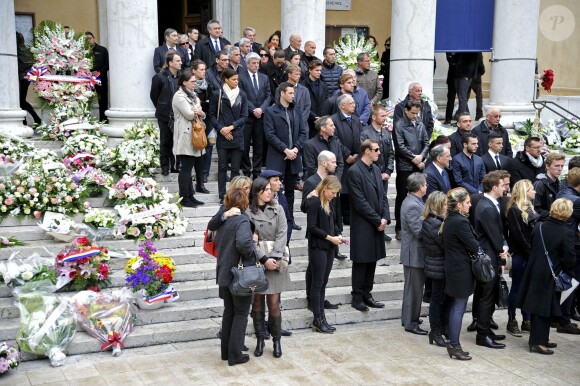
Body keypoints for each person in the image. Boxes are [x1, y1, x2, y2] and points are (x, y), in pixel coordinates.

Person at [517, 198, 576, 354]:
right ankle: (537, 342)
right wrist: (569, 273)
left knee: (542, 307)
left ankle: (542, 339)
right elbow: (569, 258)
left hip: (535, 270)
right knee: (544, 309)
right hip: (552, 274)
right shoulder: (567, 233)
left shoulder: (540, 226)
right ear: (567, 214)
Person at [247, 177, 289, 359]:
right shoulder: (248, 212)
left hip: (276, 260)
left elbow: (282, 234)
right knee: (257, 302)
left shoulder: (278, 208)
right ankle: (259, 340)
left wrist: (274, 257)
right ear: (257, 191)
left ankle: (277, 340)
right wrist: (263, 259)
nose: (269, 192)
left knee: (274, 302)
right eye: (265, 189)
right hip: (257, 262)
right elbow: (248, 239)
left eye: (269, 189)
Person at [214, 187, 256, 366]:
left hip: (224, 271)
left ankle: (226, 353)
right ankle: (235, 354)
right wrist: (252, 252)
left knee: (229, 312)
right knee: (240, 313)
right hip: (238, 275)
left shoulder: (225, 220)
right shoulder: (242, 221)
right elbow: (244, 243)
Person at [347, 139, 389, 312]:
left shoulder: (376, 169)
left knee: (372, 259)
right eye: (376, 149)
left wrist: (385, 216)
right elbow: (359, 202)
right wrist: (377, 220)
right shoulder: (354, 171)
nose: (379, 152)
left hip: (377, 222)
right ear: (366, 151)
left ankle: (367, 293)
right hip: (363, 223)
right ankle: (357, 296)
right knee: (361, 260)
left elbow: (383, 196)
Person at [302, 151, 344, 309]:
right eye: (333, 162)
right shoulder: (311, 182)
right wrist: (310, 198)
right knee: (314, 269)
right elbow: (305, 208)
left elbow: (336, 209)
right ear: (324, 163)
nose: (336, 164)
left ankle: (319, 299)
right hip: (318, 233)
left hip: (331, 230)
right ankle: (312, 299)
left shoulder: (333, 182)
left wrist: (338, 229)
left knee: (322, 273)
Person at [473, 171, 509, 349]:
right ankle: (483, 334)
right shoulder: (487, 206)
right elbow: (494, 236)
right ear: (495, 187)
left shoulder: (489, 203)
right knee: (486, 296)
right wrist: (502, 252)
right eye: (503, 185)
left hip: (490, 255)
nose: (506, 188)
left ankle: (486, 329)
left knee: (488, 295)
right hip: (489, 257)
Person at [264, 82, 307, 231]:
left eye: (293, 93)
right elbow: (269, 134)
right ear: (282, 93)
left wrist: (295, 148)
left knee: (290, 190)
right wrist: (285, 150)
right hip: (278, 157)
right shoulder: (270, 111)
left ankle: (290, 219)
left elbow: (303, 132)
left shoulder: (296, 110)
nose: (293, 95)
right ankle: (275, 220)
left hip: (294, 156)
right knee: (275, 190)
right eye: (290, 93)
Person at [442, 187, 479, 360]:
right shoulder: (460, 221)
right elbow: (474, 245)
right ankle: (454, 345)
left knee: (456, 306)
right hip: (460, 269)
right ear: (458, 205)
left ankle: (453, 343)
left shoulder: (450, 219)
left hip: (454, 268)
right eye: (467, 203)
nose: (470, 206)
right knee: (459, 307)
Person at [307, 175, 343, 333]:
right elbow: (312, 227)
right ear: (326, 188)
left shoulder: (329, 202)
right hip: (318, 247)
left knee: (323, 283)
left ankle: (322, 318)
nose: (334, 196)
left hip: (329, 247)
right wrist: (330, 238)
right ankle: (317, 319)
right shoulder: (315, 201)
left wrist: (338, 237)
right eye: (333, 192)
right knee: (317, 283)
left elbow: (331, 223)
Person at [208, 68, 249, 203]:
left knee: (236, 169)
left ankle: (234, 195)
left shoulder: (242, 94)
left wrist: (231, 128)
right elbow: (212, 115)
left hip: (237, 135)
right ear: (226, 80)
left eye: (237, 79)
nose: (237, 82)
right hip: (222, 135)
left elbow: (244, 116)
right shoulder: (217, 94)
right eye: (234, 79)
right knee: (222, 167)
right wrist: (222, 129)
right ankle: (221, 195)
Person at [505, 179, 539, 336]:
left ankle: (527, 320)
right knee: (517, 289)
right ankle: (512, 320)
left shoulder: (530, 208)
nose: (535, 192)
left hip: (530, 254)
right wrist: (531, 254)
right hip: (521, 255)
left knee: (528, 290)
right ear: (525, 191)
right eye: (532, 189)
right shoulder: (514, 210)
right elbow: (518, 236)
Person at [393, 99, 429, 239]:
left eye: (417, 113)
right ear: (406, 111)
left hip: (418, 165)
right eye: (412, 113)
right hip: (405, 166)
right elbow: (400, 147)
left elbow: (426, 142)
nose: (415, 116)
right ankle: (399, 227)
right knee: (402, 196)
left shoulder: (420, 123)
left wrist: (422, 156)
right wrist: (415, 158)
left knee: (421, 194)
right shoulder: (399, 125)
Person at [171, 69, 207, 207]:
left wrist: (199, 109)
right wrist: (198, 105)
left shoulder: (192, 95)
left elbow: (202, 115)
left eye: (195, 82)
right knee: (186, 168)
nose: (195, 84)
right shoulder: (179, 96)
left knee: (191, 166)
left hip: (195, 134)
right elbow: (190, 114)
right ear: (184, 82)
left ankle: (190, 195)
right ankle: (184, 197)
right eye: (192, 82)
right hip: (185, 136)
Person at [360, 104, 395, 240]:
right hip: (371, 174)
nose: (385, 118)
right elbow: (365, 154)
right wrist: (376, 172)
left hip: (384, 175)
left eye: (386, 115)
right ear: (374, 117)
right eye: (382, 115)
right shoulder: (366, 133)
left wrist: (388, 171)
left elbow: (391, 154)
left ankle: (382, 227)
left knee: (382, 201)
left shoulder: (386, 132)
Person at [400, 173, 427, 335]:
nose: (427, 186)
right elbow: (419, 231)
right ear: (419, 187)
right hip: (414, 254)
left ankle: (408, 317)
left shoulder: (414, 201)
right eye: (425, 184)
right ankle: (411, 322)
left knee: (412, 289)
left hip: (414, 253)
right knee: (414, 290)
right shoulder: (412, 205)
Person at [239, 52, 272, 179]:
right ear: (247, 64)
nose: (256, 65)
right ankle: (246, 171)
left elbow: (269, 95)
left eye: (257, 63)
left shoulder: (264, 77)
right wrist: (254, 109)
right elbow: (242, 95)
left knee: (259, 146)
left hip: (261, 117)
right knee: (245, 146)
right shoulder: (241, 77)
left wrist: (261, 109)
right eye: (253, 63)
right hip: (247, 117)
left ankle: (257, 171)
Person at [331, 94, 363, 225]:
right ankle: (344, 216)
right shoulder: (334, 120)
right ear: (342, 105)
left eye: (354, 103)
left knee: (353, 187)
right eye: (351, 103)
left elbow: (361, 137)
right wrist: (347, 155)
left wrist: (357, 154)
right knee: (343, 189)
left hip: (355, 159)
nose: (354, 105)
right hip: (342, 160)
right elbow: (335, 140)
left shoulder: (355, 119)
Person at [422, 191, 448, 347]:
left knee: (440, 300)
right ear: (438, 205)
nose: (447, 207)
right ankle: (436, 331)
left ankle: (441, 329)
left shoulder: (435, 221)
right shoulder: (434, 223)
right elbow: (445, 244)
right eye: (445, 204)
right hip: (437, 266)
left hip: (437, 265)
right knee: (437, 301)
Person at [150, 50, 182, 176]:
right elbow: (154, 96)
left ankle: (175, 165)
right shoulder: (159, 77)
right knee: (165, 141)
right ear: (170, 63)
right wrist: (161, 107)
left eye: (180, 60)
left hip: (178, 115)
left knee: (177, 141)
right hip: (164, 115)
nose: (180, 63)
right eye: (178, 61)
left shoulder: (181, 77)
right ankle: (164, 165)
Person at [191, 60, 214, 186]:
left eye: (205, 69)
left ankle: (205, 173)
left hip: (208, 119)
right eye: (201, 69)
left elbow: (212, 104)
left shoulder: (208, 85)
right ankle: (197, 173)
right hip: (194, 120)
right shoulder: (190, 86)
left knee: (208, 146)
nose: (204, 72)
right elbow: (193, 105)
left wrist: (204, 103)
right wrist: (205, 102)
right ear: (194, 71)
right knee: (196, 145)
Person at [302, 116, 344, 181]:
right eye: (331, 125)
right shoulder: (309, 145)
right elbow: (311, 168)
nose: (334, 127)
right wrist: (326, 182)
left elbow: (340, 163)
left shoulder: (336, 142)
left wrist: (335, 179)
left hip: (334, 183)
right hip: (318, 185)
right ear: (323, 128)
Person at [16, 32, 41, 126]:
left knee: (21, 101)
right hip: (28, 77)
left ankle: (30, 120)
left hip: (22, 78)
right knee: (21, 100)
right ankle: (30, 120)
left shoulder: (18, 51)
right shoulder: (26, 50)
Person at [85, 32, 109, 122]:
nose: (88, 41)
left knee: (102, 100)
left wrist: (99, 72)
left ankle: (104, 120)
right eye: (86, 39)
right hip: (86, 79)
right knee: (85, 99)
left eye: (90, 38)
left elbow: (107, 65)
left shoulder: (102, 50)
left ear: (94, 38)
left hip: (100, 78)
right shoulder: (82, 51)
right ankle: (86, 120)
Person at [533, 152, 565, 219]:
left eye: (562, 166)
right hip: (544, 224)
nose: (560, 169)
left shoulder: (560, 184)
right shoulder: (539, 185)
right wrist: (552, 216)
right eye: (556, 166)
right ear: (547, 166)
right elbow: (535, 209)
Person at [302, 60, 328, 139]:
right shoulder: (302, 86)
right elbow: (302, 104)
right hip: (308, 120)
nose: (319, 72)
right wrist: (314, 116)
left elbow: (326, 102)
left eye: (320, 70)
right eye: (317, 70)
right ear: (310, 70)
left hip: (322, 120)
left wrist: (322, 117)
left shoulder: (324, 85)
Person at [467, 53, 485, 121]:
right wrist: (482, 71)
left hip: (467, 76)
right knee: (479, 96)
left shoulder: (466, 50)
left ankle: (465, 113)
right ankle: (479, 114)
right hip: (476, 77)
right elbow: (480, 64)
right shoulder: (478, 52)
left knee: (465, 97)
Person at [444, 53, 458, 124]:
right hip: (452, 79)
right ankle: (448, 118)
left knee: (462, 99)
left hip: (460, 77)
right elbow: (450, 60)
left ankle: (460, 118)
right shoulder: (449, 50)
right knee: (450, 99)